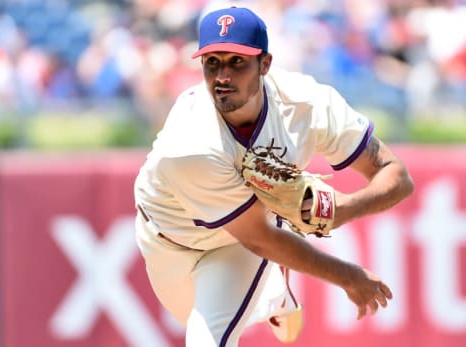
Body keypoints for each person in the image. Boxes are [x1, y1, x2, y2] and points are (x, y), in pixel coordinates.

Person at [134, 6, 414, 347]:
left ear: (265, 64)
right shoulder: (191, 142)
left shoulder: (308, 103)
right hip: (167, 239)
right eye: (212, 62)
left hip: (235, 243)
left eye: (237, 61)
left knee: (208, 341)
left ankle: (268, 287)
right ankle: (274, 296)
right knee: (204, 314)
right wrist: (348, 276)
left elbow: (397, 176)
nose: (223, 76)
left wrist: (344, 210)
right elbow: (260, 238)